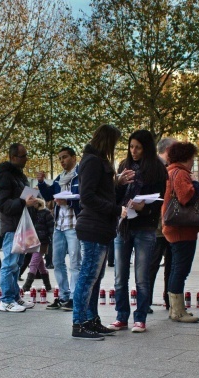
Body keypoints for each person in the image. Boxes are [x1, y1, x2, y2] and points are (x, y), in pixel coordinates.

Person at [71, 124, 128, 340]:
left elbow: (102, 191)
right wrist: (116, 209)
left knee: (94, 277)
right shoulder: (92, 161)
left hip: (101, 226)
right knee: (87, 276)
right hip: (93, 225)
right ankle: (79, 323)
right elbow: (88, 196)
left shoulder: (96, 160)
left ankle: (91, 319)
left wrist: (117, 183)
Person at [107, 129, 167, 333]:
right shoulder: (124, 166)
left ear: (146, 148)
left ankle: (140, 318)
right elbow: (114, 196)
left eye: (138, 147)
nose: (134, 151)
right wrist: (118, 182)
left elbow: (159, 200)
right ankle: (121, 316)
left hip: (145, 227)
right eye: (131, 146)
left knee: (142, 276)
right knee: (119, 275)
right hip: (123, 225)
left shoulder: (157, 169)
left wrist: (145, 207)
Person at [162, 141, 199, 324]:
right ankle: (178, 311)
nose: (193, 162)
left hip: (174, 228)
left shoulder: (170, 171)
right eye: (192, 158)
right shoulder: (180, 173)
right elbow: (185, 197)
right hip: (182, 229)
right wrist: (196, 186)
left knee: (176, 268)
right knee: (181, 269)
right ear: (186, 157)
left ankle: (175, 308)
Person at [0, 143, 39, 312]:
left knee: (18, 263)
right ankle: (5, 300)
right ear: (13, 157)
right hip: (12, 226)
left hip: (22, 225)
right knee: (10, 263)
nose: (26, 158)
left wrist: (31, 200)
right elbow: (2, 204)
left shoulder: (19, 176)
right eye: (23, 156)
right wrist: (23, 202)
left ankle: (14, 296)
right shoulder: (5, 176)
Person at [37, 147, 81, 310]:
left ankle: (74, 297)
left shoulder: (79, 177)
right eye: (60, 158)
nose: (62, 161)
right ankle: (63, 295)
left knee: (75, 262)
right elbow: (49, 195)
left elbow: (84, 198)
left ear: (74, 158)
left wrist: (69, 202)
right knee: (57, 261)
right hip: (59, 225)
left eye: (65, 157)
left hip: (74, 225)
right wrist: (41, 183)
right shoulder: (59, 178)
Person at [149, 137, 175, 310]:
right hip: (158, 226)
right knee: (153, 264)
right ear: (168, 150)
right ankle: (147, 300)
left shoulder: (169, 168)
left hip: (167, 224)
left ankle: (169, 299)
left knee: (170, 265)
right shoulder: (155, 167)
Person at [23, 201, 54, 291]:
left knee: (33, 263)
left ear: (38, 203)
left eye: (34, 203)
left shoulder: (46, 213)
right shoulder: (31, 213)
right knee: (40, 265)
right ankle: (47, 286)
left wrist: (52, 240)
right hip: (33, 241)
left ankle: (27, 286)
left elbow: (51, 227)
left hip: (42, 242)